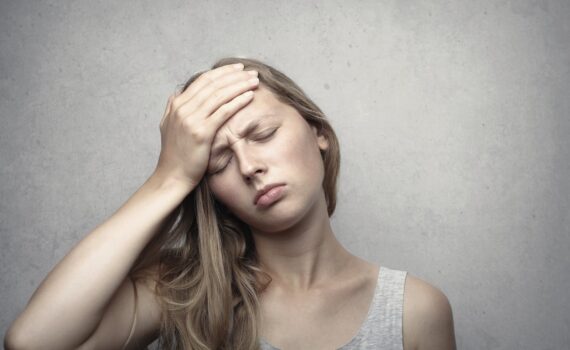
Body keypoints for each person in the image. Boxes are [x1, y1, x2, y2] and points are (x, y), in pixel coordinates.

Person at [4, 57, 456, 350]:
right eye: (219, 162)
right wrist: (170, 177)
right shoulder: (188, 295)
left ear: (319, 132)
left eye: (263, 134)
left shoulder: (413, 310)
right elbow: (31, 343)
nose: (249, 166)